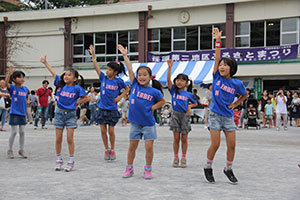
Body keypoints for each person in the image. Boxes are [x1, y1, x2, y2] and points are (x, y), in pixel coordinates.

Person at [203, 28, 247, 184]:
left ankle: (228, 169)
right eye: (220, 65)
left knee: (232, 145)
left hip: (228, 116)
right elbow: (216, 58)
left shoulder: (237, 83)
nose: (221, 66)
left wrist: (235, 104)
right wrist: (218, 40)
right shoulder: (216, 77)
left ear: (232, 68)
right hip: (215, 114)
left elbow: (245, 94)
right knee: (215, 144)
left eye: (225, 65)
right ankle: (208, 167)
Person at [119, 44, 165, 179]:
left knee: (149, 148)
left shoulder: (154, 91)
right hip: (135, 123)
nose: (142, 77)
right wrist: (125, 56)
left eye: (145, 75)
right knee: (132, 147)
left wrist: (153, 108)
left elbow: (162, 101)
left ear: (150, 77)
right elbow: (129, 69)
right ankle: (129, 168)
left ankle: (148, 169)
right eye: (140, 75)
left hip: (148, 124)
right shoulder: (134, 86)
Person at [40, 55, 89, 172]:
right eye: (65, 74)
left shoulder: (77, 88)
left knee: (69, 139)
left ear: (75, 79)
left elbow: (86, 98)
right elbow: (53, 73)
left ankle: (71, 160)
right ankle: (58, 159)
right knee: (58, 139)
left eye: (69, 75)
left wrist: (76, 102)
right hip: (59, 114)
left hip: (71, 115)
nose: (66, 76)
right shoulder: (60, 84)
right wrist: (45, 63)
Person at [89, 45, 130, 161]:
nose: (107, 71)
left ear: (115, 72)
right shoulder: (103, 78)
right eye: (107, 69)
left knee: (111, 130)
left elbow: (127, 89)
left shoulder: (119, 81)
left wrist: (120, 97)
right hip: (102, 108)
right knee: (103, 130)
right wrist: (93, 55)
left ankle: (112, 149)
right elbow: (96, 66)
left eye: (110, 70)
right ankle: (106, 149)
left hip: (112, 109)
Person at [167, 59, 198, 168]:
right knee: (176, 138)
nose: (179, 82)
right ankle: (176, 157)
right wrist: (169, 68)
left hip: (185, 116)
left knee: (184, 138)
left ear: (186, 83)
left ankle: (184, 157)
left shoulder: (188, 94)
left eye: (182, 80)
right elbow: (168, 82)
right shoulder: (173, 91)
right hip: (175, 115)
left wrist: (189, 106)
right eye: (178, 80)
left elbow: (195, 103)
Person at [5, 66, 29, 159]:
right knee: (14, 132)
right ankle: (10, 150)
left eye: (23, 77)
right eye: (19, 77)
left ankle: (21, 150)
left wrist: (27, 101)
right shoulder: (13, 88)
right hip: (14, 113)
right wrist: (9, 74)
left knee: (22, 132)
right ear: (14, 79)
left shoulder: (25, 89)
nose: (22, 79)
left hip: (23, 113)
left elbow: (26, 97)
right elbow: (6, 83)